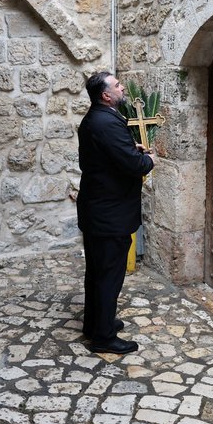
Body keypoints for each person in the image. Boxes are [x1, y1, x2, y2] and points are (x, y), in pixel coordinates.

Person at [76, 71, 156, 354]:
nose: (123, 88)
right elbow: (134, 166)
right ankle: (104, 337)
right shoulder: (107, 122)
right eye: (117, 85)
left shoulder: (95, 118)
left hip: (97, 210)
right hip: (109, 214)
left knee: (97, 272)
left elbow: (106, 154)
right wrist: (148, 160)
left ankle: (95, 323)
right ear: (106, 95)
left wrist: (129, 148)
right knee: (109, 275)